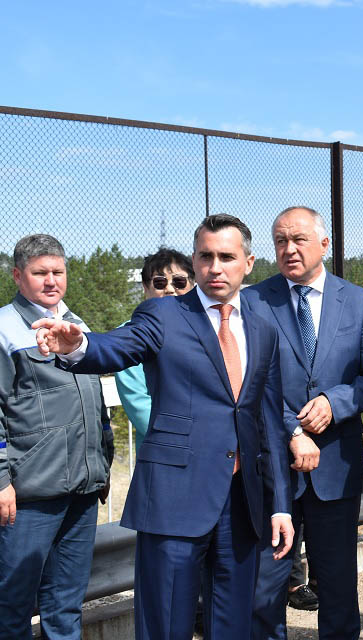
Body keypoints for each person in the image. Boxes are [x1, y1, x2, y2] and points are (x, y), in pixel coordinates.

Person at [34, 214, 295, 640]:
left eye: (226, 257)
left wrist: (280, 504)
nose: (214, 267)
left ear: (248, 263)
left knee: (234, 626)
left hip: (241, 503)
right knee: (165, 625)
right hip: (175, 498)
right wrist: (79, 344)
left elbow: (269, 420)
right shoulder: (163, 313)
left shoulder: (263, 328)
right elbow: (119, 345)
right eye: (205, 256)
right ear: (194, 260)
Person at [245, 206, 363, 640]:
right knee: (266, 586)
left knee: (338, 584)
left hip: (335, 465)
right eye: (280, 241)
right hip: (272, 468)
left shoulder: (357, 301)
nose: (289, 249)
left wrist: (336, 401)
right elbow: (246, 381)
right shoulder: (254, 301)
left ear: (324, 244)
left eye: (299, 239)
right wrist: (292, 429)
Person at [0, 234, 114, 640]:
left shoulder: (75, 324)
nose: (51, 281)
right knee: (12, 606)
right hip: (29, 496)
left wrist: (101, 465)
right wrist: (1, 481)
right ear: (18, 276)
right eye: (39, 273)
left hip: (82, 491)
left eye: (58, 272)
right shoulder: (4, 329)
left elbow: (95, 403)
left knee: (65, 605)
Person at [115, 248, 195, 451]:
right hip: (164, 451)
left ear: (193, 285)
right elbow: (140, 407)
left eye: (179, 282)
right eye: (160, 282)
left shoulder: (209, 330)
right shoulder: (131, 337)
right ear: (145, 287)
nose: (169, 289)